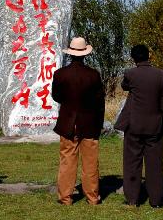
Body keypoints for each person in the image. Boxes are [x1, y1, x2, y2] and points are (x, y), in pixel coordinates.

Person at [114, 44, 163, 208]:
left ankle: (132, 199)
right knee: (155, 164)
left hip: (134, 125)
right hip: (155, 125)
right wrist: (162, 123)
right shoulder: (162, 75)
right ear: (149, 56)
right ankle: (156, 201)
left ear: (133, 58)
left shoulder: (130, 74)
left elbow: (124, 86)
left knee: (132, 162)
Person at [51, 37, 105, 205]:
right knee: (90, 162)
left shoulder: (60, 74)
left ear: (71, 53)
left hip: (67, 122)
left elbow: (56, 96)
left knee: (67, 160)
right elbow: (100, 102)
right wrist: (99, 124)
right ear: (85, 54)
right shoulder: (93, 75)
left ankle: (65, 197)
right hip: (89, 123)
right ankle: (92, 197)